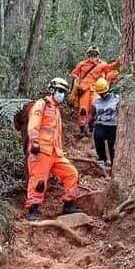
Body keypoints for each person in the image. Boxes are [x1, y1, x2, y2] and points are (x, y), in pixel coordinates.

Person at [25, 77, 80, 221]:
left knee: (71, 173)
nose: (62, 94)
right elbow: (33, 124)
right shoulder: (41, 104)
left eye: (64, 92)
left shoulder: (56, 109)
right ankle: (33, 209)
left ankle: (68, 205)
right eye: (60, 91)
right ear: (52, 90)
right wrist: (34, 141)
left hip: (55, 151)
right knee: (39, 180)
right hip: (41, 150)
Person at [69, 46, 120, 131]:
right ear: (88, 55)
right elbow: (74, 73)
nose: (93, 56)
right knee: (83, 108)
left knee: (94, 106)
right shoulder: (82, 64)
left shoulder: (102, 64)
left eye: (95, 54)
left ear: (98, 55)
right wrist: (77, 79)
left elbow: (110, 68)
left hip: (96, 89)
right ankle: (82, 126)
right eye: (91, 54)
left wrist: (118, 62)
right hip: (84, 89)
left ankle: (92, 124)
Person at [89, 77, 118, 167]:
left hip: (113, 124)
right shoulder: (96, 101)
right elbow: (92, 114)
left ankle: (114, 162)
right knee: (98, 137)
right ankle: (102, 159)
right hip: (101, 123)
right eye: (100, 93)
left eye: (104, 92)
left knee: (112, 144)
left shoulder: (116, 98)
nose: (102, 95)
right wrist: (90, 124)